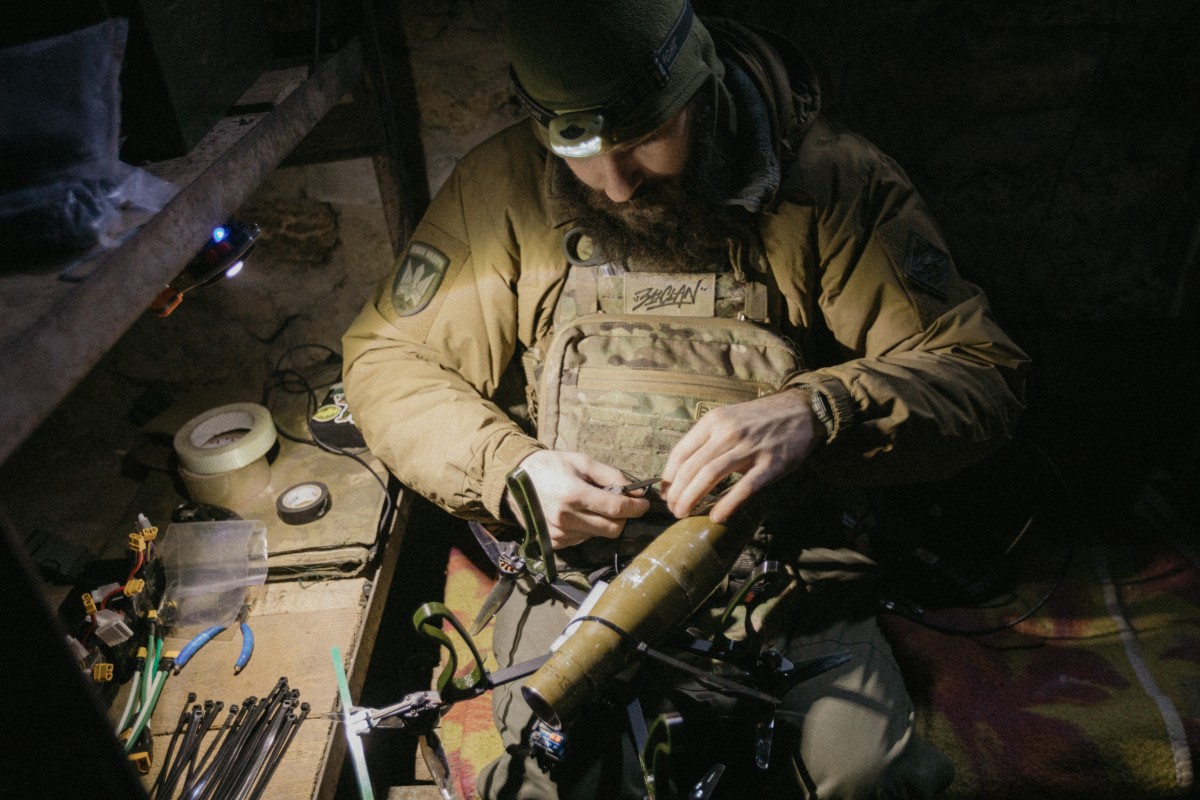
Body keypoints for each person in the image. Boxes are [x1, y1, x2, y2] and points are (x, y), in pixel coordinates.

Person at [343, 1, 1028, 797]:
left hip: (779, 567)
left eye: (642, 140)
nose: (615, 182)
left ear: (699, 87)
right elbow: (387, 357)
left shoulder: (834, 184)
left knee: (870, 776)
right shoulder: (503, 189)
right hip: (579, 575)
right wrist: (512, 470)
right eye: (580, 153)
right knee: (558, 776)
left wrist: (822, 411)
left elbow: (982, 370)